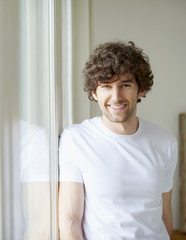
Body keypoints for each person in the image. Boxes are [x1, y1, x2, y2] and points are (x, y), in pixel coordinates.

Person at [58, 41, 178, 240]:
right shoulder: (76, 139)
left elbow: (165, 214)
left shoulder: (165, 141)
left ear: (141, 90)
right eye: (106, 86)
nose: (116, 96)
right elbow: (70, 221)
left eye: (125, 85)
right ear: (94, 93)